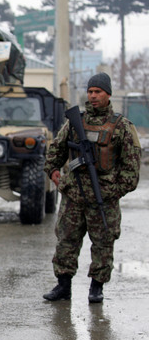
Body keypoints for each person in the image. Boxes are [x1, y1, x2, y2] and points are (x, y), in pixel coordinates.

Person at [42, 72, 141, 303]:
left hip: (103, 199)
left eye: (98, 92)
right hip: (74, 196)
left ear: (108, 94)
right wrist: (55, 174)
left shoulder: (122, 127)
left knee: (103, 243)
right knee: (66, 241)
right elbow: (55, 151)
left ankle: (96, 288)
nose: (93, 96)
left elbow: (131, 171)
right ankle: (63, 286)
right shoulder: (75, 123)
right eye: (90, 92)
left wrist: (110, 192)